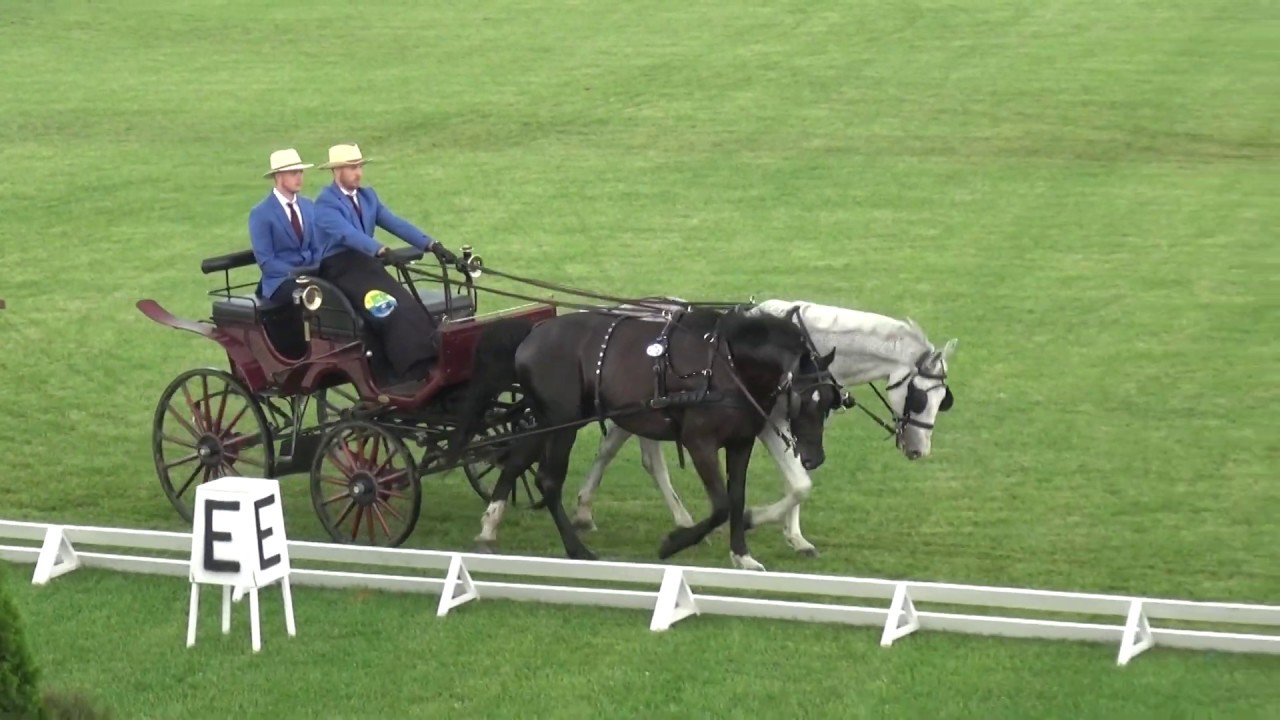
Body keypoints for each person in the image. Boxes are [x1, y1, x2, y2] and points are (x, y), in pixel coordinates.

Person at [312, 143, 458, 383]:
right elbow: (347, 234)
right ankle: (408, 370)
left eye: (359, 166)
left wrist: (431, 245)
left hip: (367, 264)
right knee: (389, 308)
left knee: (409, 304)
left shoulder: (368, 197)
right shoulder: (325, 204)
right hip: (341, 268)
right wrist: (380, 249)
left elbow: (395, 222)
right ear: (336, 172)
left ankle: (428, 357)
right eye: (351, 168)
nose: (358, 172)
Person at [249, 148, 319, 359]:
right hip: (279, 281)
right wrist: (299, 273)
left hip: (310, 274)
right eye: (293, 173)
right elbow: (267, 262)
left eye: (300, 172)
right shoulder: (261, 214)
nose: (299, 177)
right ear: (279, 177)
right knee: (307, 295)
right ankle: (295, 354)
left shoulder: (308, 207)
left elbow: (317, 247)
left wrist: (317, 268)